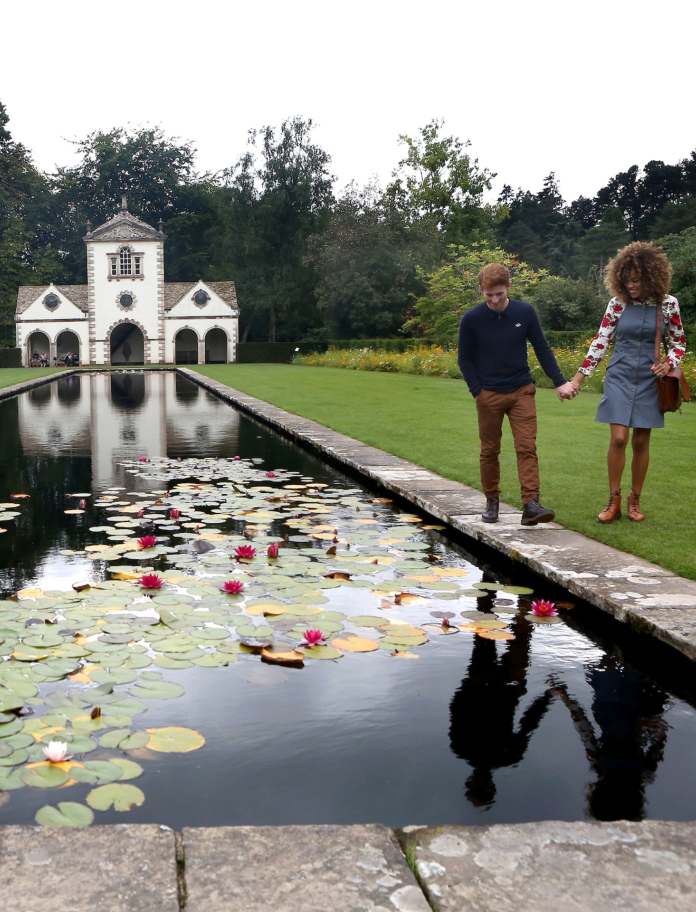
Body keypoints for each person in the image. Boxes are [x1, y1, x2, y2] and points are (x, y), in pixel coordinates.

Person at [570, 242, 686, 523]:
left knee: (642, 443)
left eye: (636, 280)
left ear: (651, 276)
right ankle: (614, 500)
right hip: (619, 374)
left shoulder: (669, 304)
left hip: (650, 378)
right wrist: (577, 380)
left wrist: (669, 363)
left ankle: (635, 500)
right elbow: (600, 342)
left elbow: (679, 343)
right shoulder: (617, 304)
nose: (631, 286)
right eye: (626, 280)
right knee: (619, 438)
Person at [458, 263, 577, 525]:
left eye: (499, 294)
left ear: (509, 287)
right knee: (489, 450)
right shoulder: (472, 318)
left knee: (526, 447)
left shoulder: (525, 312)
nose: (494, 300)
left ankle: (531, 504)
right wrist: (477, 391)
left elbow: (542, 348)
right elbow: (464, 358)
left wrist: (559, 382)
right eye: (489, 295)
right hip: (488, 393)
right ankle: (492, 499)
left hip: (522, 389)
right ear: (482, 290)